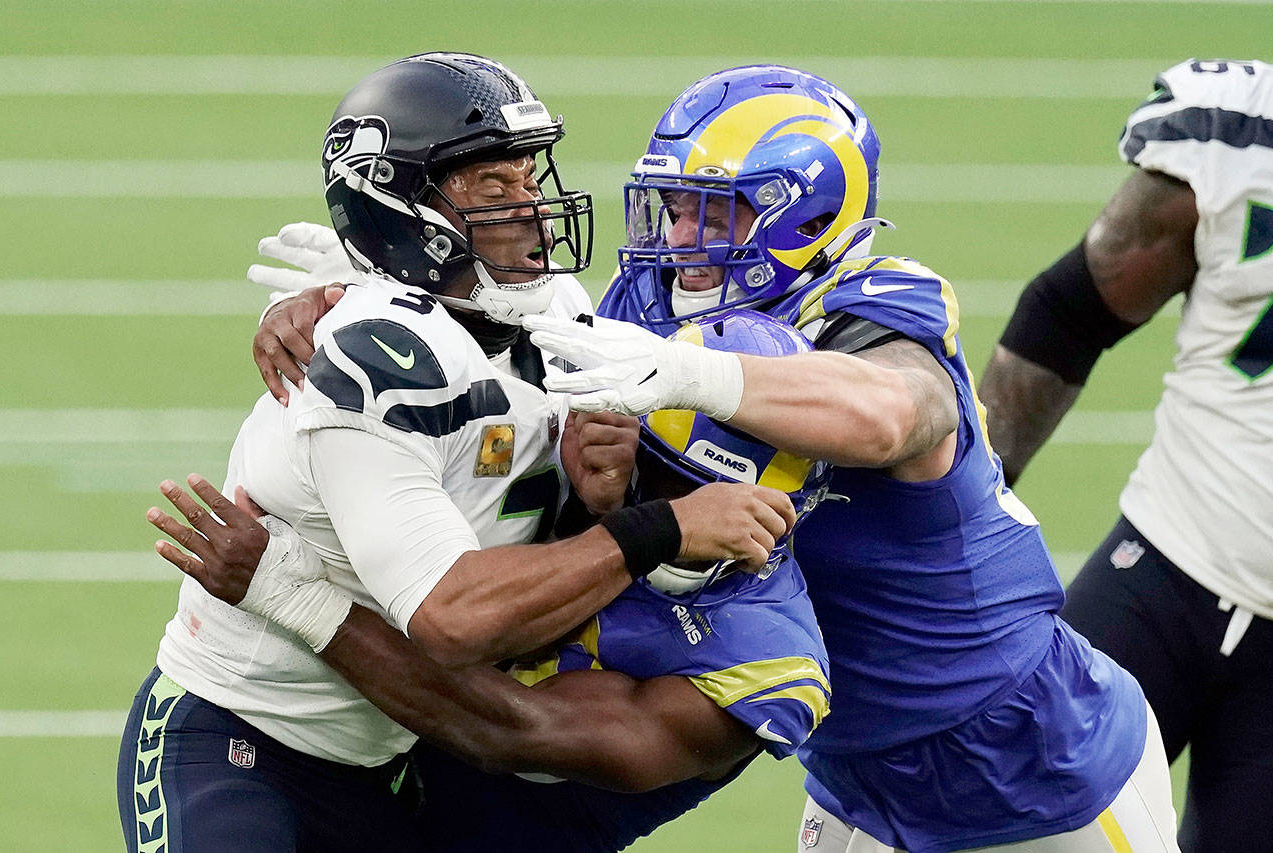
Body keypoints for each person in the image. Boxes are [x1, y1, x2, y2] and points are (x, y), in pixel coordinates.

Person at [250, 64, 1181, 853]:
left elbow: (896, 413)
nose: (679, 243)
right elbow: (503, 321)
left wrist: (698, 374)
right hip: (855, 777)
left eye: (714, 215)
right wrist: (361, 289)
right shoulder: (654, 302)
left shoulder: (875, 306)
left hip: (1037, 757)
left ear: (805, 215)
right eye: (676, 210)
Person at [116, 53, 794, 853]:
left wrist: (597, 502)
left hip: (395, 757)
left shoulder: (558, 314)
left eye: (528, 180)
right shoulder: (376, 360)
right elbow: (455, 614)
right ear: (399, 205)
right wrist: (656, 528)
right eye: (493, 188)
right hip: (239, 734)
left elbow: (518, 652)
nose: (533, 210)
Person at [151, 309, 833, 852]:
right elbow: (472, 335)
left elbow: (512, 729)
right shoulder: (606, 469)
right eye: (642, 455)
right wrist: (328, 309)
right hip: (332, 768)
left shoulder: (766, 658)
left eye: (677, 487)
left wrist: (293, 594)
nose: (645, 490)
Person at [977, 58, 1273, 852]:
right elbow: (1071, 313)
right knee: (998, 825)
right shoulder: (1242, 135)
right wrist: (958, 521)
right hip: (1169, 563)